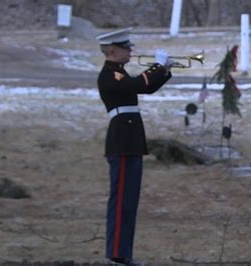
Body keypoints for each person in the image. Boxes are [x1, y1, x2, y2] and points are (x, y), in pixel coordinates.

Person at [95, 27, 172, 265]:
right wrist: (157, 66)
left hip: (130, 140)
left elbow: (146, 87)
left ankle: (122, 253)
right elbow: (138, 84)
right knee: (121, 202)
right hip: (123, 140)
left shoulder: (119, 73)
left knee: (129, 200)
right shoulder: (110, 75)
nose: (130, 51)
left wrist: (164, 70)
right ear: (112, 51)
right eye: (125, 48)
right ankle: (117, 254)